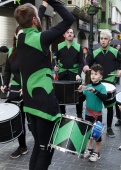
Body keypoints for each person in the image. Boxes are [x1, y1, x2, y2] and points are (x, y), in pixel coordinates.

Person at [14, 1, 75, 169]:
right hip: (43, 102)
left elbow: (32, 22)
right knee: (46, 150)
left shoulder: (21, 37)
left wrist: (40, 8)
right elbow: (69, 18)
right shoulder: (41, 38)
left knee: (39, 146)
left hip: (30, 103)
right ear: (34, 20)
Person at [87, 29, 121, 137]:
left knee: (110, 107)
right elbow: (87, 63)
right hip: (98, 83)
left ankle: (109, 128)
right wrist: (86, 68)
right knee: (95, 106)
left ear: (110, 40)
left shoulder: (115, 52)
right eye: (101, 38)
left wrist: (120, 69)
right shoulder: (95, 52)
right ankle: (94, 127)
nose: (103, 41)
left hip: (110, 82)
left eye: (105, 39)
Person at [0, 26, 28, 159]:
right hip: (16, 88)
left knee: (33, 122)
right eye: (20, 34)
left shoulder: (31, 50)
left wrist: (27, 86)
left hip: (30, 88)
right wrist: (5, 84)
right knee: (18, 119)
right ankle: (22, 146)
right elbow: (7, 71)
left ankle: (42, 144)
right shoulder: (11, 51)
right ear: (15, 35)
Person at [78, 64, 107, 162]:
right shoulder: (88, 86)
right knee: (89, 133)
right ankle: (89, 149)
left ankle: (97, 152)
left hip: (97, 114)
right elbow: (81, 100)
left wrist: (95, 91)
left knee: (97, 134)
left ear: (101, 77)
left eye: (96, 74)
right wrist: (80, 92)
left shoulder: (102, 87)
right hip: (87, 113)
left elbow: (104, 98)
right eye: (92, 74)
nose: (93, 76)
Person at [54, 28, 85, 118]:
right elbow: (55, 58)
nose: (70, 34)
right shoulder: (59, 46)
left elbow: (81, 62)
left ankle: (79, 115)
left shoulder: (78, 46)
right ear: (64, 35)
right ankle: (62, 115)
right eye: (67, 32)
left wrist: (79, 73)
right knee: (60, 96)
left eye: (71, 32)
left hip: (75, 74)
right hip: (62, 74)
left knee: (78, 96)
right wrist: (56, 67)